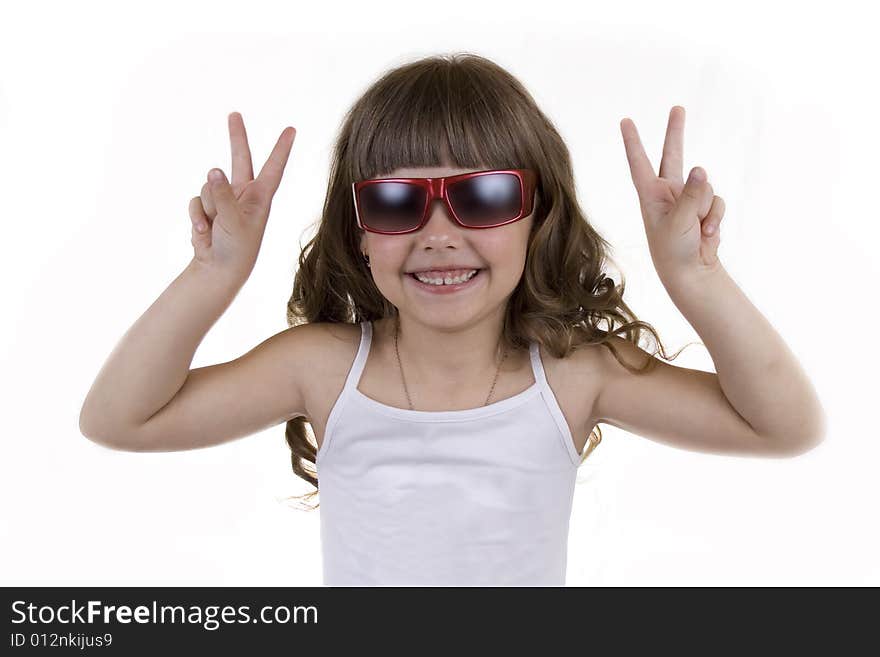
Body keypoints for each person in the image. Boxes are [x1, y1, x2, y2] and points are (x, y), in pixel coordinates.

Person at [79, 52, 826, 586]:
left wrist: (695, 276)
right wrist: (214, 274)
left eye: (486, 196)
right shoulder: (320, 367)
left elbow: (785, 425)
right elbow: (118, 419)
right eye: (399, 202)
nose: (439, 233)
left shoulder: (571, 374)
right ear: (359, 228)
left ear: (538, 214)